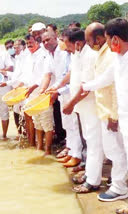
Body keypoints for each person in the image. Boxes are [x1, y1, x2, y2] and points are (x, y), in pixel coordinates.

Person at [79, 18, 128, 209]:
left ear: (115, 39)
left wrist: (113, 115)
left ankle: (119, 187)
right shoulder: (118, 58)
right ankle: (119, 186)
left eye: (108, 39)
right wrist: (84, 86)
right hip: (123, 116)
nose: (106, 44)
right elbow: (105, 79)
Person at [61, 29, 102, 193]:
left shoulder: (90, 56)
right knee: (89, 140)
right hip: (82, 107)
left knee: (94, 143)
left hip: (90, 106)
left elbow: (86, 87)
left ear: (77, 43)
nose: (65, 48)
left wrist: (71, 103)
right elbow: (74, 78)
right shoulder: (77, 54)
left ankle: (93, 181)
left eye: (67, 44)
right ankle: (90, 174)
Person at [41, 31, 82, 165]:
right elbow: (55, 75)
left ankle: (77, 155)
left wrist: (57, 90)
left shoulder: (65, 52)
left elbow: (72, 76)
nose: (46, 43)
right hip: (62, 92)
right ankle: (71, 152)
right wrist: (49, 89)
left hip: (72, 93)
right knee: (67, 125)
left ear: (56, 38)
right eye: (43, 41)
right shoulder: (49, 55)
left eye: (48, 40)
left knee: (74, 125)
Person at [1, 34, 47, 148]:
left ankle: (42, 146)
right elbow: (25, 76)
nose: (29, 45)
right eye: (27, 44)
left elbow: (45, 75)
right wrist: (18, 84)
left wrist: (34, 86)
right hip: (28, 91)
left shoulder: (43, 55)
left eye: (31, 42)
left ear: (37, 42)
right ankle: (32, 144)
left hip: (39, 91)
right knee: (28, 118)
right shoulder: (28, 57)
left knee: (43, 121)